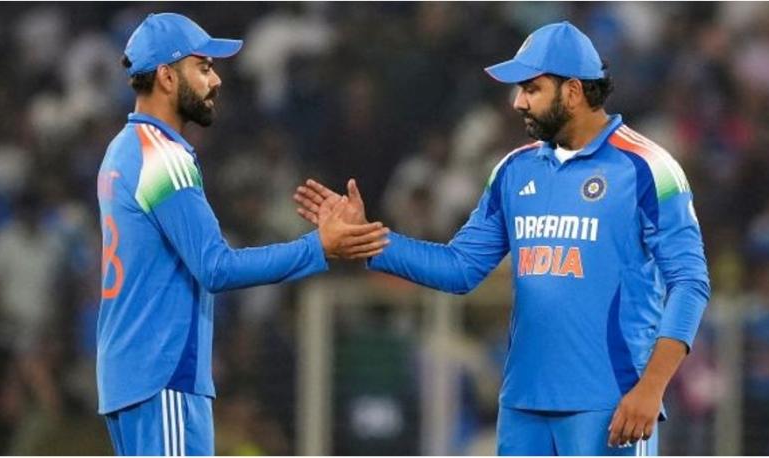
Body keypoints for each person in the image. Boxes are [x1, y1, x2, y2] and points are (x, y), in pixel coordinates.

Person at [294, 21, 710, 456]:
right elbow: (460, 268)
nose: (517, 102)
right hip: (523, 404)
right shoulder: (514, 170)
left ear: (573, 91)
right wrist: (365, 240)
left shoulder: (647, 168)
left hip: (609, 402)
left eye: (531, 89)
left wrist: (652, 387)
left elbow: (690, 282)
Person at [96, 12, 389, 456]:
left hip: (130, 375)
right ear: (167, 77)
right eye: (203, 67)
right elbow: (215, 267)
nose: (215, 80)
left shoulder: (121, 150)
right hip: (163, 373)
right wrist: (319, 247)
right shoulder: (164, 158)